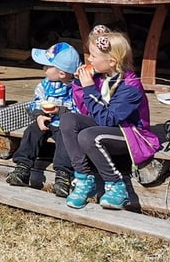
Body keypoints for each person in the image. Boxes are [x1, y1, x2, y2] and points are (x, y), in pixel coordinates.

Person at [60, 26, 160, 210]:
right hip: (106, 125)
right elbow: (85, 110)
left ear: (112, 61)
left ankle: (116, 185)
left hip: (131, 133)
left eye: (94, 56)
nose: (89, 59)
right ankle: (83, 179)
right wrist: (79, 83)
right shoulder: (101, 77)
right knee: (68, 120)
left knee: (88, 136)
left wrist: (89, 88)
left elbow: (108, 120)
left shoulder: (131, 87)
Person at [5, 42, 80, 198]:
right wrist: (38, 115)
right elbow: (36, 101)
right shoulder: (44, 85)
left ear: (62, 73)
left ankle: (62, 176)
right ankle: (22, 167)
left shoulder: (77, 89)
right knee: (31, 132)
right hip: (46, 120)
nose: (44, 69)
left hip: (65, 124)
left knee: (66, 141)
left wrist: (59, 111)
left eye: (47, 66)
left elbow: (80, 110)